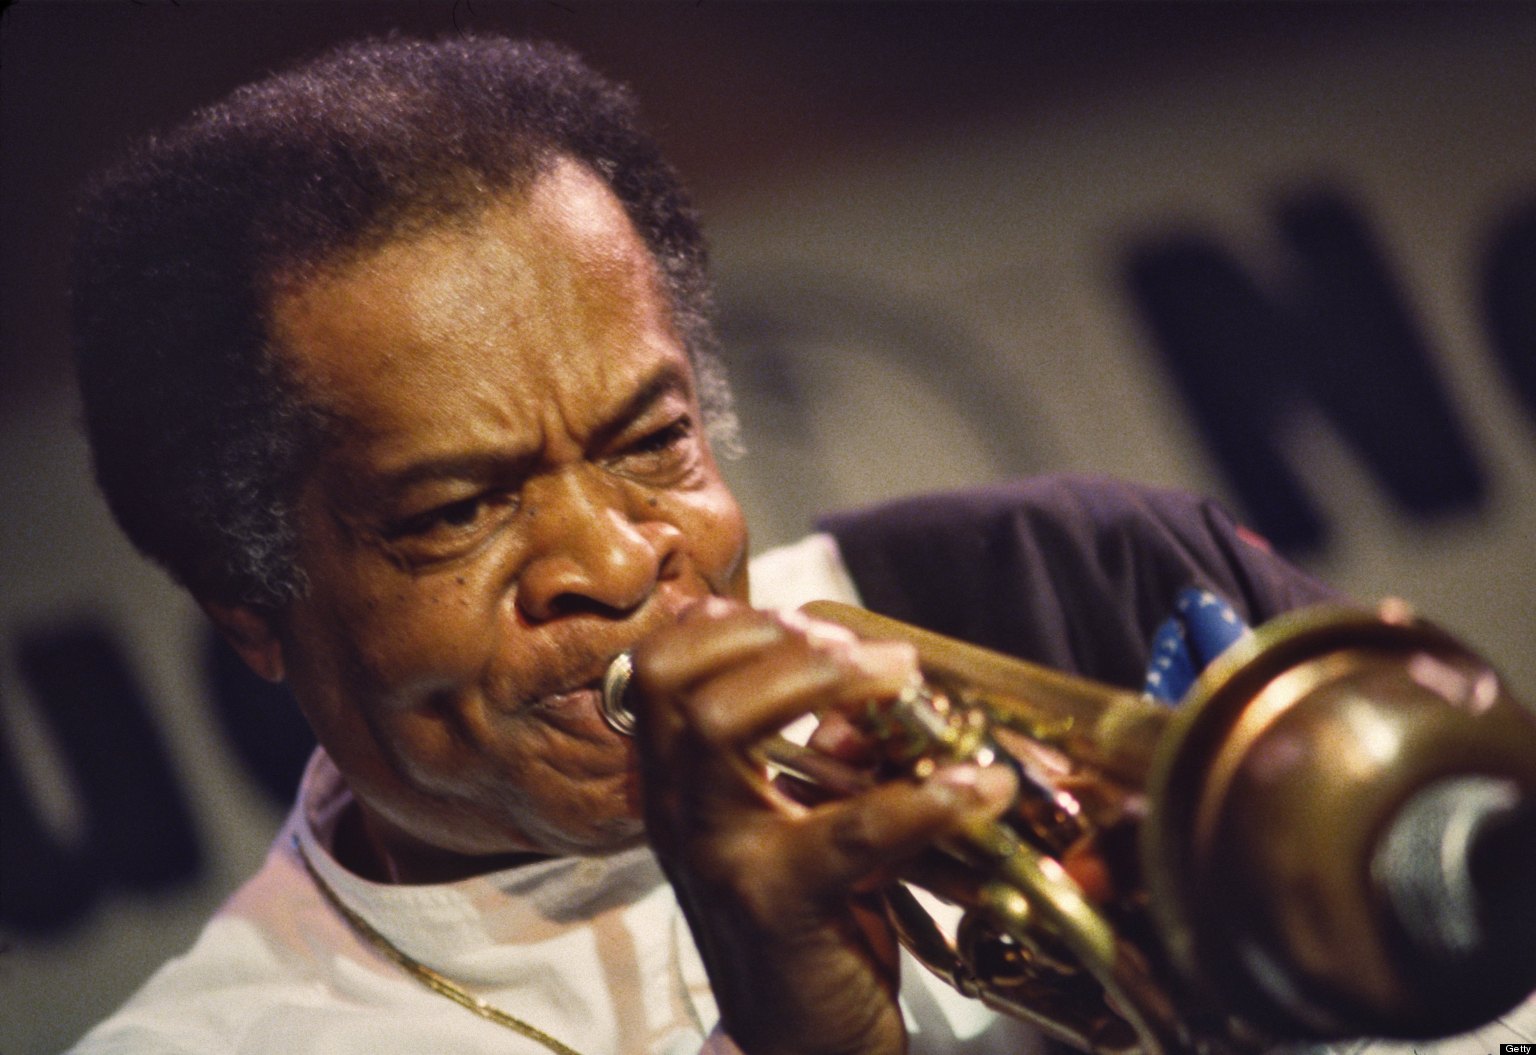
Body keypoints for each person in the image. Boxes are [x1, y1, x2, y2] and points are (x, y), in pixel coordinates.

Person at [65, 33, 1531, 1055]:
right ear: (249, 610)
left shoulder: (1069, 589)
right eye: (459, 512)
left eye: (650, 442)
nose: (617, 562)